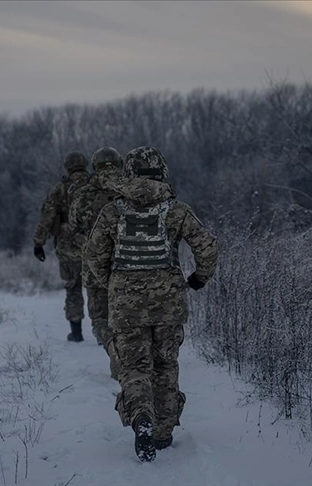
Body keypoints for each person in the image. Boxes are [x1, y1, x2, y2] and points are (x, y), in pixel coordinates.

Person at [84, 146, 218, 462]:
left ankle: (141, 417)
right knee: (165, 364)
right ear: (161, 173)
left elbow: (93, 255)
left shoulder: (113, 211)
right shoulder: (177, 210)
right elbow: (208, 247)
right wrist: (198, 278)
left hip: (125, 305)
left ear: (129, 173)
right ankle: (163, 432)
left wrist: (114, 284)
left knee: (134, 367)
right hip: (169, 304)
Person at [68, 146, 123, 379]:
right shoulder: (130, 188)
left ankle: (113, 350)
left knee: (100, 318)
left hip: (94, 266)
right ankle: (130, 356)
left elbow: (73, 225)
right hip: (128, 265)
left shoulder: (84, 193)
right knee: (126, 316)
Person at [32, 151, 91, 342]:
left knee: (73, 288)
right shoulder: (96, 186)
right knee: (99, 289)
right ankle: (103, 334)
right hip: (96, 246)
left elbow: (47, 217)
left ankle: (76, 332)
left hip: (68, 247)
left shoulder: (59, 189)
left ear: (67, 166)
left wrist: (38, 243)